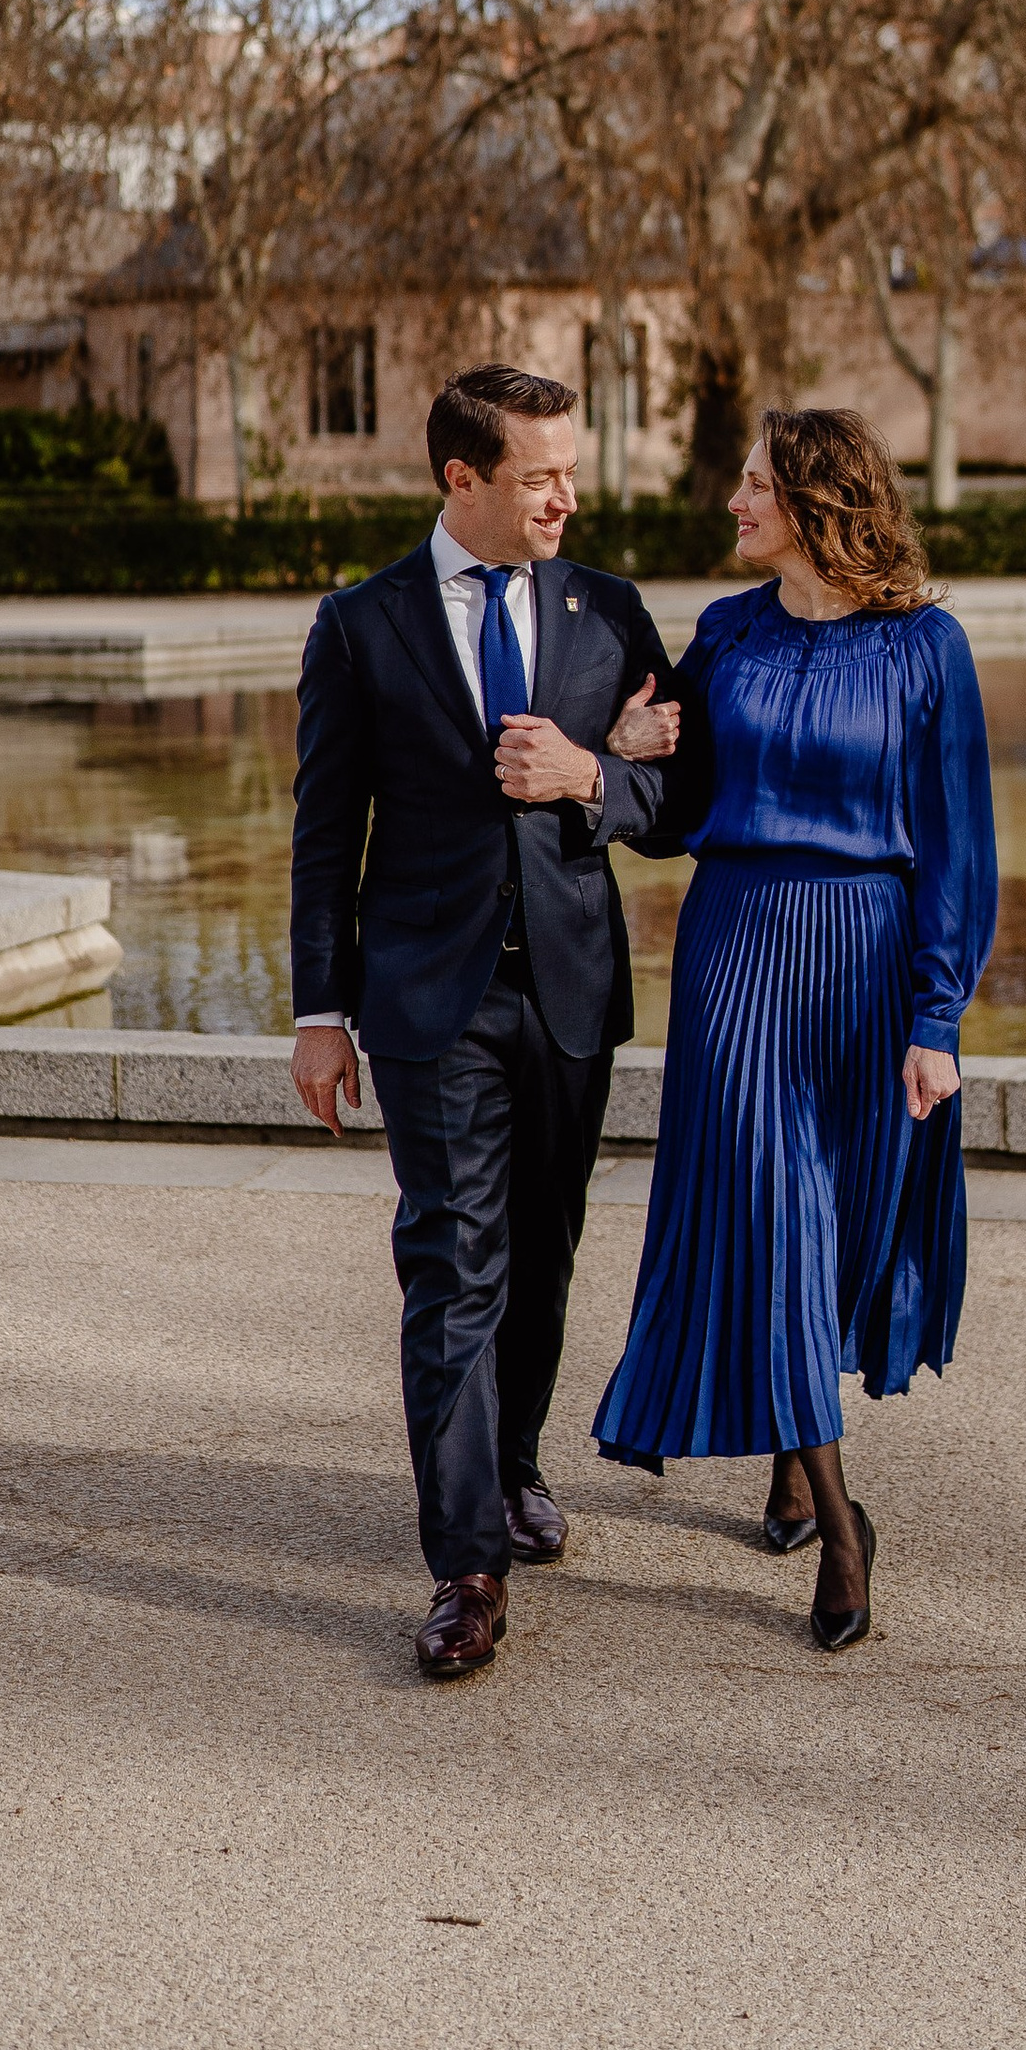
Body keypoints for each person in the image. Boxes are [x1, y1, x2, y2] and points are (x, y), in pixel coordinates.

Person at [289, 364, 681, 1681]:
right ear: (463, 479)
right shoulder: (361, 624)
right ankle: (464, 1565)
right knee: (452, 1261)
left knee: (544, 1254)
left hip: (570, 990)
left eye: (574, 469)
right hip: (423, 999)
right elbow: (325, 834)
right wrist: (318, 1014)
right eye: (541, 476)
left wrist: (594, 777)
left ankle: (512, 1469)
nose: (569, 494)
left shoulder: (611, 616)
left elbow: (683, 803)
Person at [592, 406, 998, 1652]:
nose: (732, 499)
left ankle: (785, 1456)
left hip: (871, 970)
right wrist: (619, 756)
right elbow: (672, 814)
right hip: (737, 957)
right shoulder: (723, 636)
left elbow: (960, 850)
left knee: (832, 1234)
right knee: (772, 1216)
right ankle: (839, 1529)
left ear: (816, 502)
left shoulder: (927, 648)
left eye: (755, 483)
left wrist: (938, 1016)